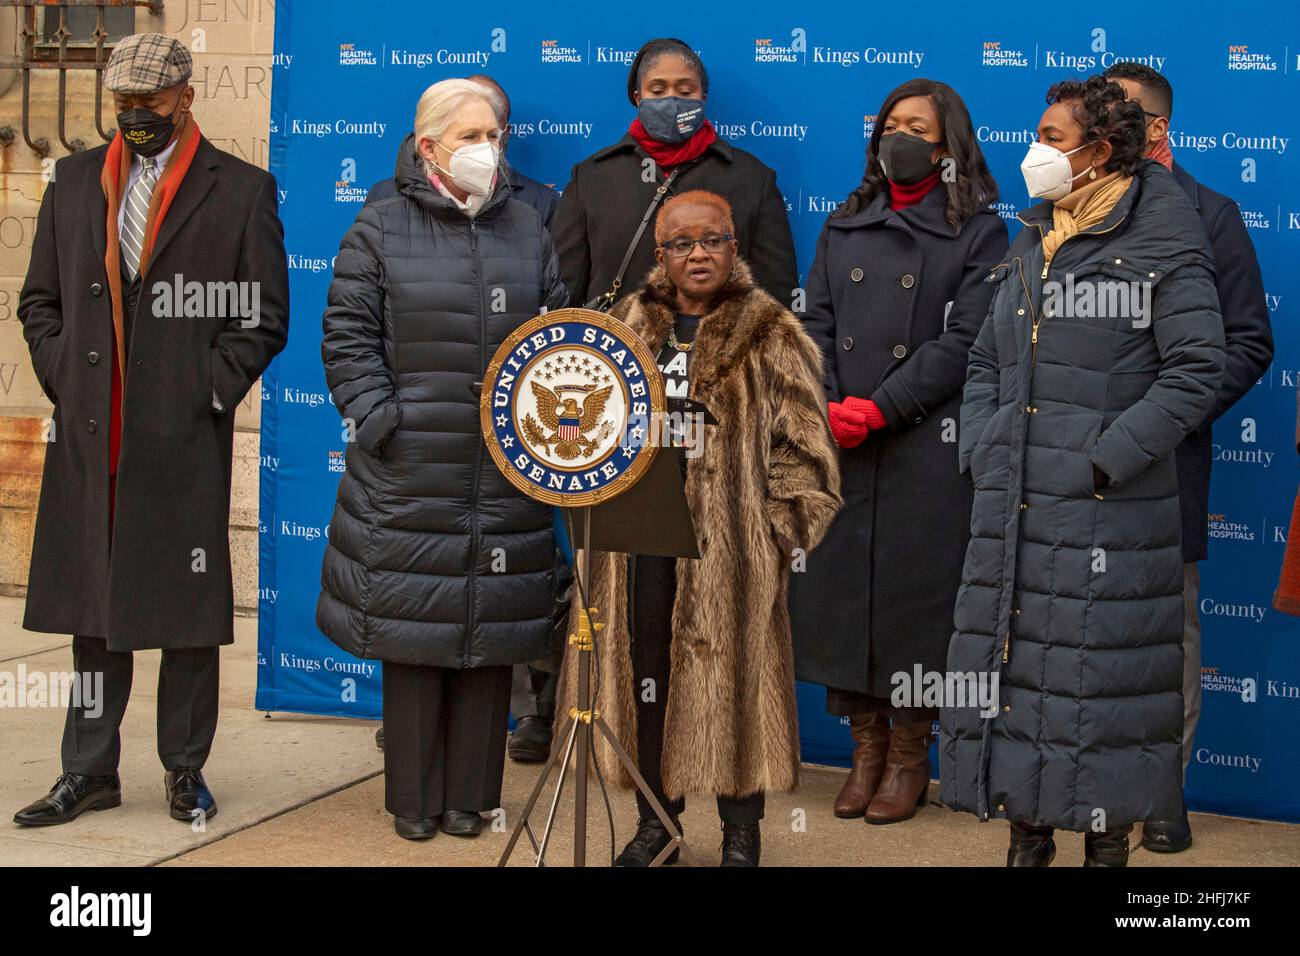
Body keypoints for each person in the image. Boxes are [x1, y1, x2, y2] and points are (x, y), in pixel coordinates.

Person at [939, 75, 1225, 866]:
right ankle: (1027, 843)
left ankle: (1108, 850)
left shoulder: (1166, 236)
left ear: (1100, 152)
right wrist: (989, 445)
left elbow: (1198, 369)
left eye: (1052, 138)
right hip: (1016, 513)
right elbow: (988, 357)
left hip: (1108, 518)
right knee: (1020, 682)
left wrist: (1103, 462)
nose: (1036, 151)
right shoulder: (1035, 235)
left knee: (1101, 694)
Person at [13, 33, 289, 827]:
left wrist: (206, 389)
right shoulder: (71, 181)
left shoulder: (240, 189)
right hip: (92, 436)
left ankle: (183, 770)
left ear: (186, 97)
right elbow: (40, 303)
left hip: (180, 439)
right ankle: (88, 772)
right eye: (124, 105)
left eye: (151, 104)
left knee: (185, 616)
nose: (136, 117)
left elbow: (261, 316)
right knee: (93, 617)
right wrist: (66, 374)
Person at [316, 78, 568, 841]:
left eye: (494, 137)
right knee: (416, 636)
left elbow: (554, 331)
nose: (486, 151)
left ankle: (471, 799)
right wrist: (384, 422)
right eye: (470, 138)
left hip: (505, 475)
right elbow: (347, 338)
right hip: (409, 471)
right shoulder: (380, 227)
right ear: (429, 147)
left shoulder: (529, 226)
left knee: (490, 639)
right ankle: (413, 802)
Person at [557, 190, 841, 866]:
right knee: (645, 677)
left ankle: (742, 833)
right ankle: (658, 825)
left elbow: (804, 450)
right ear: (661, 256)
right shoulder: (625, 325)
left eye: (712, 239)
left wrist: (773, 535)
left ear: (734, 246)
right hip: (637, 542)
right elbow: (589, 432)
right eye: (681, 244)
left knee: (736, 692)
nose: (698, 254)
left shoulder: (772, 330)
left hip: (730, 548)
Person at [790, 79, 1007, 826]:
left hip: (925, 442)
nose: (900, 137)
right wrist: (826, 403)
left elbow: (968, 338)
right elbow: (811, 320)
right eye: (891, 124)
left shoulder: (982, 231)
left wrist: (883, 406)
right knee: (846, 598)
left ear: (949, 147)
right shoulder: (845, 222)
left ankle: (912, 753)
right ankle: (865, 746)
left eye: (918, 127)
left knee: (916, 602)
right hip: (841, 442)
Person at [1104, 62, 1274, 854]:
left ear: (1158, 128)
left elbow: (1248, 344)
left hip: (1166, 464)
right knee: (1079, 634)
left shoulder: (1214, 214)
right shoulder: (1063, 212)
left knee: (1169, 637)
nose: (1100, 125)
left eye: (1117, 114)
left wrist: (1162, 419)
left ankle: (1163, 792)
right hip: (1074, 465)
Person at [551, 37, 797, 310]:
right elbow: (564, 294)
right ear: (638, 97)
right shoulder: (592, 178)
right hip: (617, 348)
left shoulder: (751, 179)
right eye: (657, 91)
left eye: (684, 91)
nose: (671, 101)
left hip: (717, 350)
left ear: (702, 97)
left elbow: (776, 302)